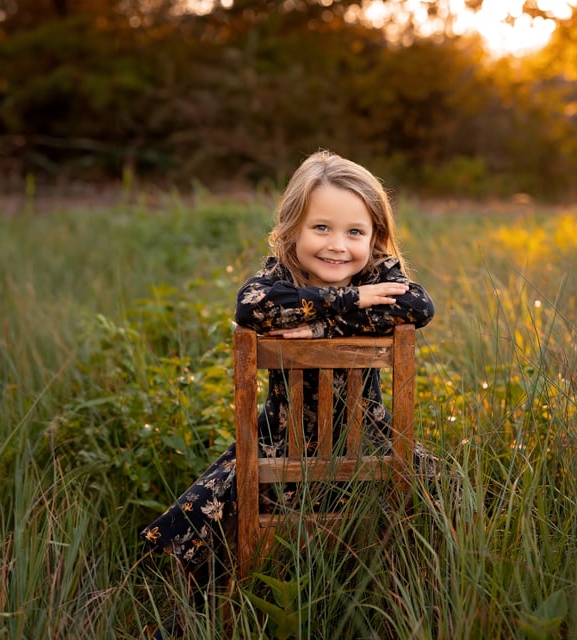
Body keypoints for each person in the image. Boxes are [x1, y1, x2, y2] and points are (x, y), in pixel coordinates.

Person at [139, 150, 435, 631]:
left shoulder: (383, 272)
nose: (337, 246)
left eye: (355, 232)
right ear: (291, 229)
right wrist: (351, 300)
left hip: (372, 444)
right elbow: (250, 309)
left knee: (454, 504)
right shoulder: (278, 277)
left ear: (375, 238)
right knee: (208, 519)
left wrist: (321, 326)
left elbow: (420, 307)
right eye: (321, 228)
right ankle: (204, 618)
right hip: (279, 446)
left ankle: (412, 609)